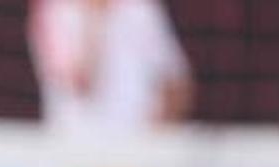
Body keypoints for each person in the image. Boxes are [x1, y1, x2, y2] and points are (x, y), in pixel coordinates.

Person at [28, 0, 194, 134]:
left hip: (139, 152)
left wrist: (157, 133)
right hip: (75, 154)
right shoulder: (50, 13)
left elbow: (177, 82)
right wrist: (94, 17)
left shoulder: (140, 8)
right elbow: (81, 84)